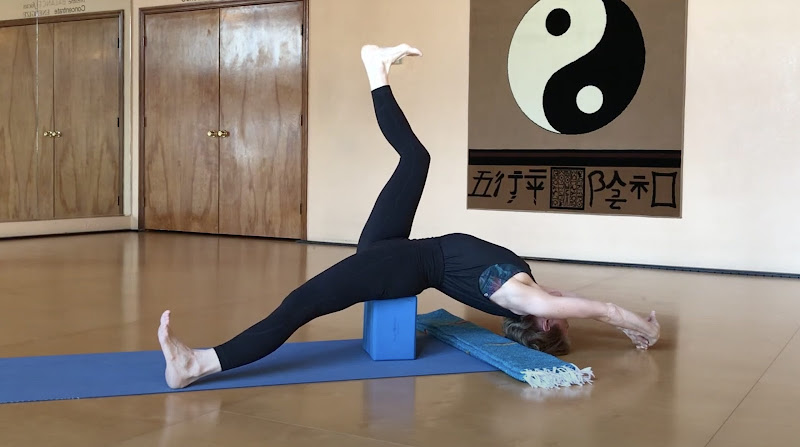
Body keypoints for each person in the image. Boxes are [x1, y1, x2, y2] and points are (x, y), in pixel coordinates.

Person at [158, 44, 661, 389]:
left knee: (298, 305)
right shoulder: (524, 288)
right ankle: (376, 67)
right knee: (416, 159)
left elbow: (601, 309)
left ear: (546, 321)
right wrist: (635, 326)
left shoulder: (520, 297)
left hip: (399, 267)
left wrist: (638, 325)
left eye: (563, 321)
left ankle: (198, 364)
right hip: (396, 248)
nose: (566, 308)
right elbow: (581, 308)